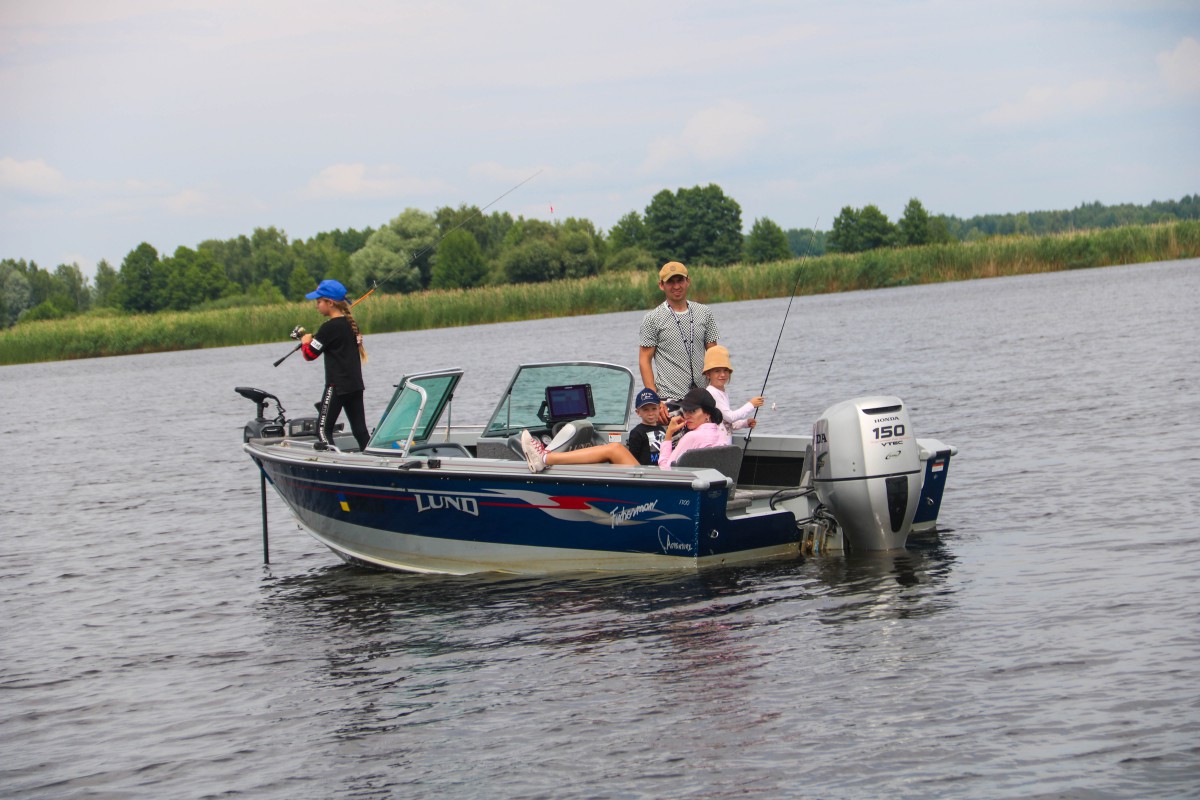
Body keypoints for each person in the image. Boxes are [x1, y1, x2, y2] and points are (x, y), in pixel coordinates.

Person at [520, 387, 728, 473]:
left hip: (663, 484)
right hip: (686, 483)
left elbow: (666, 467)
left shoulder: (693, 437)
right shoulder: (718, 434)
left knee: (614, 450)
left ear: (707, 413)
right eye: (686, 410)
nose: (687, 415)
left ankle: (545, 458)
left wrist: (668, 436)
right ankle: (547, 456)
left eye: (693, 411)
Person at [638, 261, 720, 423]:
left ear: (687, 281)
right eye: (671, 282)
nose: (676, 286)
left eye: (680, 280)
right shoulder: (652, 319)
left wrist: (716, 391)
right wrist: (655, 400)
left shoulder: (704, 312)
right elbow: (644, 360)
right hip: (670, 399)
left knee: (707, 445)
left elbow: (713, 354)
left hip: (702, 397)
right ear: (662, 285)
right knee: (676, 447)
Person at [299, 279, 370, 451]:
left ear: (330, 303)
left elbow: (309, 355)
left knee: (322, 431)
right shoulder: (349, 324)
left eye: (319, 302)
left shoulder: (328, 328)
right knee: (360, 430)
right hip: (354, 385)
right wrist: (313, 340)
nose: (317, 306)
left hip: (336, 387)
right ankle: (373, 459)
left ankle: (333, 464)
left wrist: (304, 341)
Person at [702, 345, 764, 437]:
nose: (722, 374)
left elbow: (726, 422)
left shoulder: (721, 392)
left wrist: (745, 423)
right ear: (708, 374)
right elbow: (730, 417)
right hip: (717, 445)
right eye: (717, 371)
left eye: (726, 370)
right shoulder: (712, 393)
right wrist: (751, 404)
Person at [626, 388, 666, 466]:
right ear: (638, 412)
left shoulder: (662, 429)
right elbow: (632, 458)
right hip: (645, 473)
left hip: (662, 470)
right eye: (645, 410)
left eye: (654, 409)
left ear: (659, 409)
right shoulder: (636, 432)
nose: (650, 413)